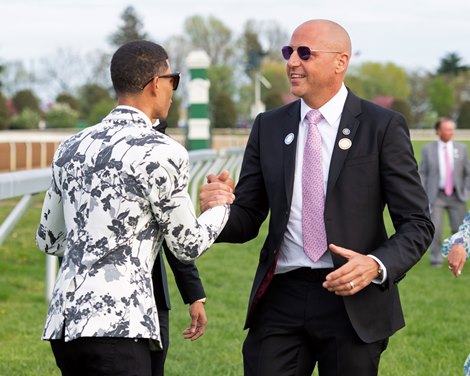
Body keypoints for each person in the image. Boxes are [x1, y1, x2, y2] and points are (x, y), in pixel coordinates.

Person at [200, 19, 434, 375]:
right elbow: (247, 217)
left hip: (353, 298)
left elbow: (417, 223)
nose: (292, 61)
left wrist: (374, 265)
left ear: (341, 62)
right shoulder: (269, 126)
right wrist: (217, 211)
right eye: (288, 52)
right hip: (281, 294)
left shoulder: (381, 126)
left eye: (305, 53)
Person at [35, 40, 233, 376]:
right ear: (157, 83)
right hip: (120, 323)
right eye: (174, 80)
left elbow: (49, 239)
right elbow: (187, 244)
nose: (173, 90)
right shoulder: (164, 151)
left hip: (66, 322)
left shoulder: (70, 146)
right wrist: (221, 205)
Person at [420, 117, 470, 267]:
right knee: (435, 229)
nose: (450, 132)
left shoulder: (461, 148)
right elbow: (423, 172)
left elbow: (468, 172)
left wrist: (466, 191)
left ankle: (459, 258)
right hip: (436, 196)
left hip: (457, 195)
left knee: (459, 230)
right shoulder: (428, 149)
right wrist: (424, 192)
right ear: (438, 131)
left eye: (452, 129)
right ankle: (436, 259)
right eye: (447, 129)